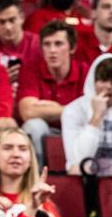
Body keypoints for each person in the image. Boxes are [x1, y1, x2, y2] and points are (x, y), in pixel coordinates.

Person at [18, 21, 88, 163]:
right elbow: (27, 112)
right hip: (47, 131)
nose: (52, 50)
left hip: (78, 131)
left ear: (72, 48)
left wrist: (47, 108)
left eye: (58, 44)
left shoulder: (85, 71)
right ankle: (36, 180)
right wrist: (72, 110)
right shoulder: (31, 70)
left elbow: (90, 112)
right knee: (34, 125)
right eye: (47, 44)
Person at [61, 53, 112, 174]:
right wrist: (96, 118)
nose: (108, 86)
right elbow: (77, 160)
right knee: (76, 169)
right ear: (92, 81)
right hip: (88, 182)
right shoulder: (73, 110)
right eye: (103, 80)